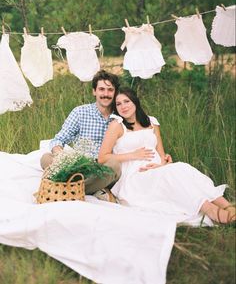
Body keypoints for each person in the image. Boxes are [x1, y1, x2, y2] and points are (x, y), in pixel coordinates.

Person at [98, 87, 236, 224]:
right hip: (135, 176)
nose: (123, 106)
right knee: (173, 172)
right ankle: (211, 210)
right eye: (118, 104)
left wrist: (161, 164)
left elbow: (161, 154)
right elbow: (102, 157)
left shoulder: (151, 122)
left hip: (157, 168)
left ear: (135, 101)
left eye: (126, 101)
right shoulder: (117, 125)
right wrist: (133, 155)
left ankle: (227, 206)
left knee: (183, 168)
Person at [40, 70, 122, 195]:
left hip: (103, 168)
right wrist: (60, 155)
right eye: (101, 89)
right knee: (46, 158)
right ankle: (91, 188)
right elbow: (59, 139)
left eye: (110, 90)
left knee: (114, 166)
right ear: (94, 91)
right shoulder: (80, 112)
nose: (106, 94)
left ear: (115, 92)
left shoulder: (121, 115)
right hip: (79, 166)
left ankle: (71, 188)